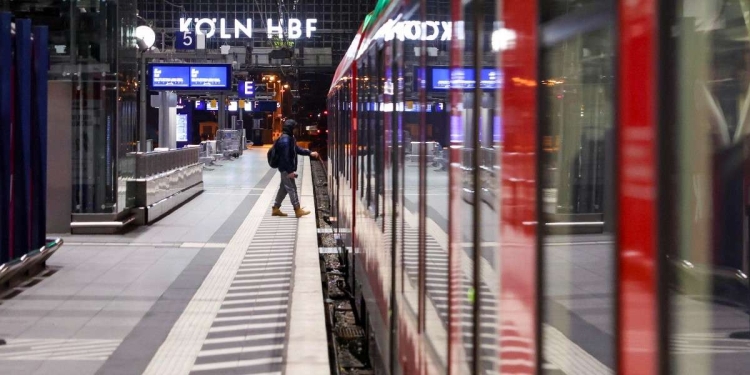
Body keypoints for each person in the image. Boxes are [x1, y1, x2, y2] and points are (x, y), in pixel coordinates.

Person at [272, 119, 319, 217]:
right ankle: (297, 209)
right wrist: (290, 171)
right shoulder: (285, 140)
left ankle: (275, 208)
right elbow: (285, 157)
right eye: (294, 128)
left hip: (285, 168)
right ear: (290, 128)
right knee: (292, 188)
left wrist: (310, 153)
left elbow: (296, 149)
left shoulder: (289, 138)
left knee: (284, 188)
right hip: (286, 168)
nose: (296, 130)